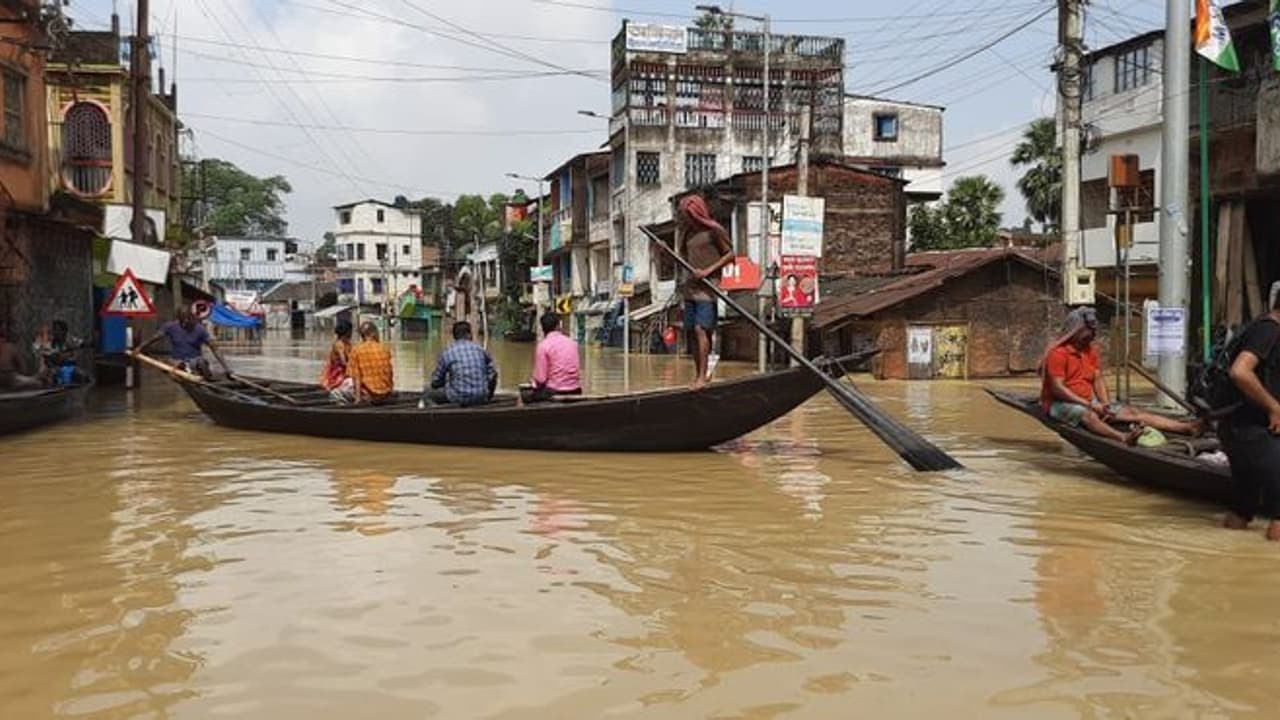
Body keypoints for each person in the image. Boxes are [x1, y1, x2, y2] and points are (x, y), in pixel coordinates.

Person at [1041, 307, 1202, 444]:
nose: (1092, 334)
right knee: (1088, 415)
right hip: (1059, 404)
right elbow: (1058, 389)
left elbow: (1097, 378)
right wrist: (1090, 405)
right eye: (1088, 331)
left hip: (1087, 402)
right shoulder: (1058, 353)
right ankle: (1123, 437)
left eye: (1093, 331)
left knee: (1133, 412)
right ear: (1075, 331)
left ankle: (1186, 427)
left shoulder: (1090, 351)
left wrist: (1105, 404)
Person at [1222, 289, 1280, 539]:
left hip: (1238, 429)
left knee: (1242, 507)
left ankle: (1233, 555)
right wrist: (1274, 407)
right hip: (1256, 431)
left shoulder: (1256, 326)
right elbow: (1240, 371)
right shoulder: (1269, 331)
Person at [676, 194, 734, 390]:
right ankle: (699, 375)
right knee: (692, 331)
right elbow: (683, 258)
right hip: (690, 288)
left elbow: (730, 254)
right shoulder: (686, 234)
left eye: (689, 216)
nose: (687, 220)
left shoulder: (714, 231)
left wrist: (707, 271)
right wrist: (666, 250)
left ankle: (702, 376)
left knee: (702, 329)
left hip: (708, 289)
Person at [139, 308, 231, 379]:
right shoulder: (170, 326)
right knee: (170, 363)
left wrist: (227, 368)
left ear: (192, 318)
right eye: (183, 321)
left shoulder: (200, 329)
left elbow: (215, 348)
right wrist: (140, 347)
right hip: (177, 361)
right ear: (178, 319)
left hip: (194, 361)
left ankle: (205, 379)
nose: (186, 322)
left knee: (202, 363)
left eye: (188, 319)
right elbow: (155, 338)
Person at [426, 321, 497, 407]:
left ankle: (437, 412)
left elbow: (436, 381)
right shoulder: (481, 350)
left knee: (428, 394)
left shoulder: (447, 352)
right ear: (469, 335)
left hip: (458, 397)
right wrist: (488, 393)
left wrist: (446, 383)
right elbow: (493, 374)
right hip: (482, 397)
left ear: (454, 336)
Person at [522, 312, 581, 403]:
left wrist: (533, 383)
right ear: (558, 326)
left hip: (554, 391)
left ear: (543, 329)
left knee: (525, 396)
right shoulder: (572, 343)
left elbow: (541, 379)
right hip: (576, 390)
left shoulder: (543, 346)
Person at [346, 321, 394, 404]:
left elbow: (356, 377)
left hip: (369, 395)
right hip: (386, 394)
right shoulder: (385, 349)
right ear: (374, 333)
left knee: (335, 394)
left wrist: (358, 399)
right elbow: (390, 374)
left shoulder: (357, 350)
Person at [32, 320, 88, 384]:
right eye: (54, 330)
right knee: (48, 375)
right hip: (54, 369)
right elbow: (41, 351)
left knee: (82, 375)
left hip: (69, 368)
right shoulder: (50, 343)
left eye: (58, 330)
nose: (55, 332)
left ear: (64, 331)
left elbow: (82, 343)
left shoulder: (71, 340)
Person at [321, 320, 355, 399]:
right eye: (350, 331)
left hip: (345, 370)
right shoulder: (339, 344)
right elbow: (343, 362)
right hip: (337, 373)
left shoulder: (348, 343)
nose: (351, 333)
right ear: (347, 332)